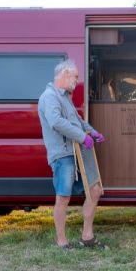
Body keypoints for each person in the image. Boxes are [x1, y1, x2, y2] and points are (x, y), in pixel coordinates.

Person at [38, 59, 106, 250]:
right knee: (63, 197)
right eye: (75, 77)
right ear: (65, 74)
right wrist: (81, 137)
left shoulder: (65, 97)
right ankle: (62, 242)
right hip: (63, 155)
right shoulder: (49, 96)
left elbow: (78, 121)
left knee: (95, 191)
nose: (77, 81)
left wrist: (92, 132)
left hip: (79, 152)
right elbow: (56, 122)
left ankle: (87, 237)